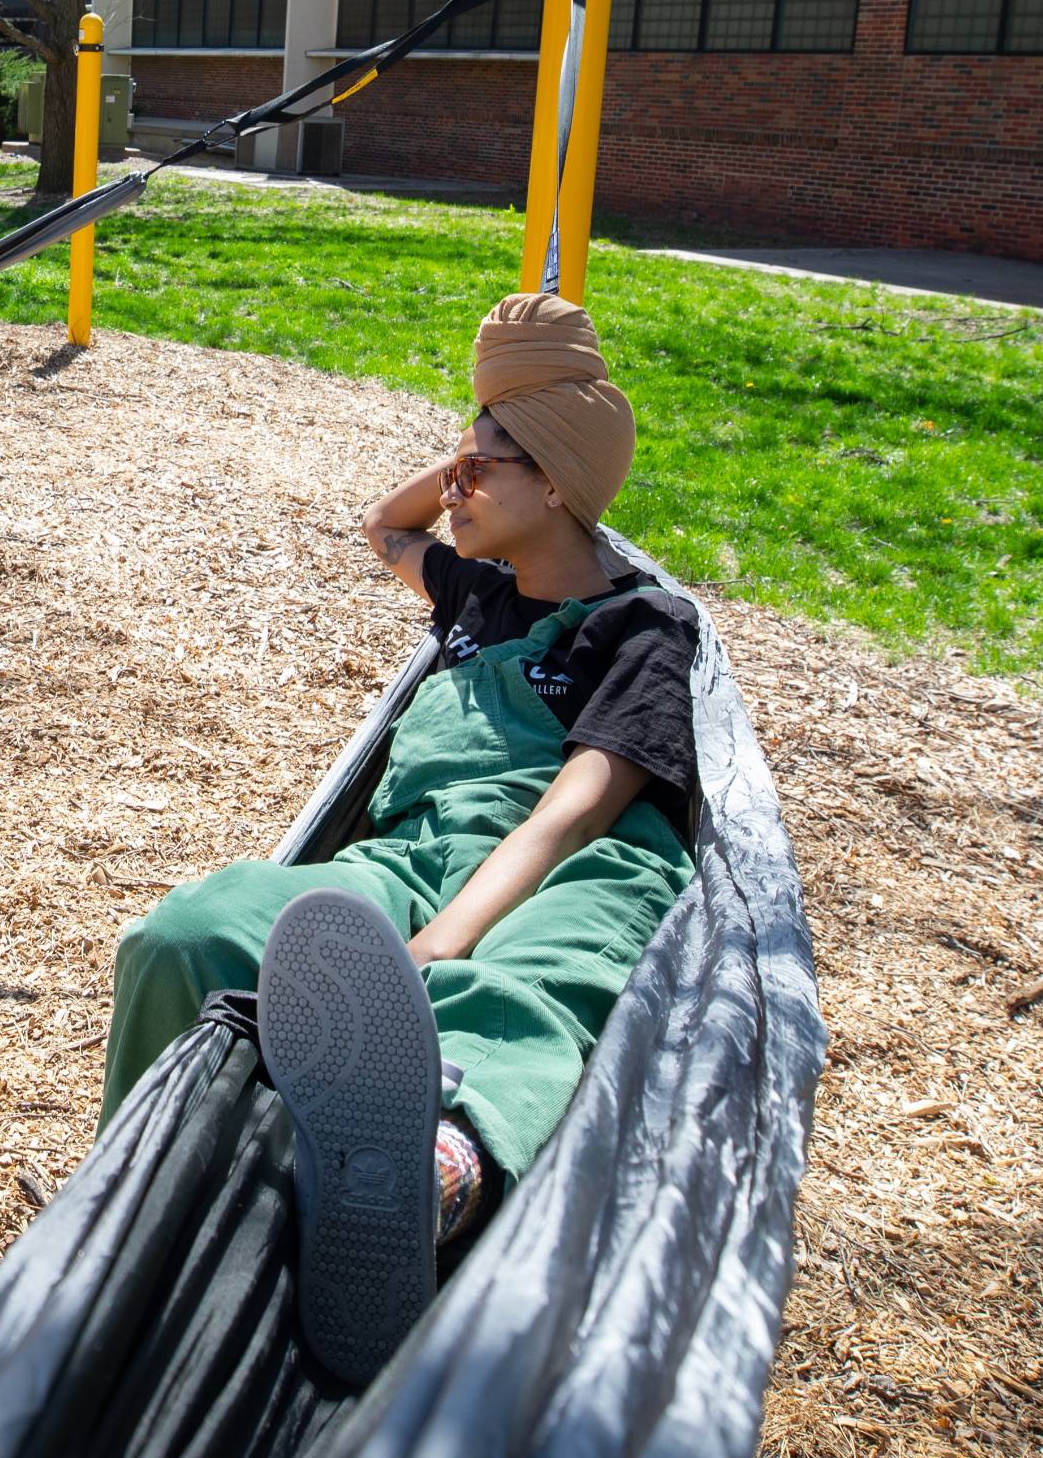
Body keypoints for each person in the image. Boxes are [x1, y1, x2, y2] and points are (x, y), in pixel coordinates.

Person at [96, 291, 699, 1377]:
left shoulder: (639, 624)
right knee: (192, 934)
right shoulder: (475, 595)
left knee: (520, 990)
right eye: (457, 466)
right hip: (417, 847)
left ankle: (427, 1183)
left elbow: (582, 806)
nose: (453, 488)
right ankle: (133, 1204)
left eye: (482, 470)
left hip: (577, 865)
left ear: (555, 483)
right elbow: (386, 525)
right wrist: (485, 438)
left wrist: (443, 942)